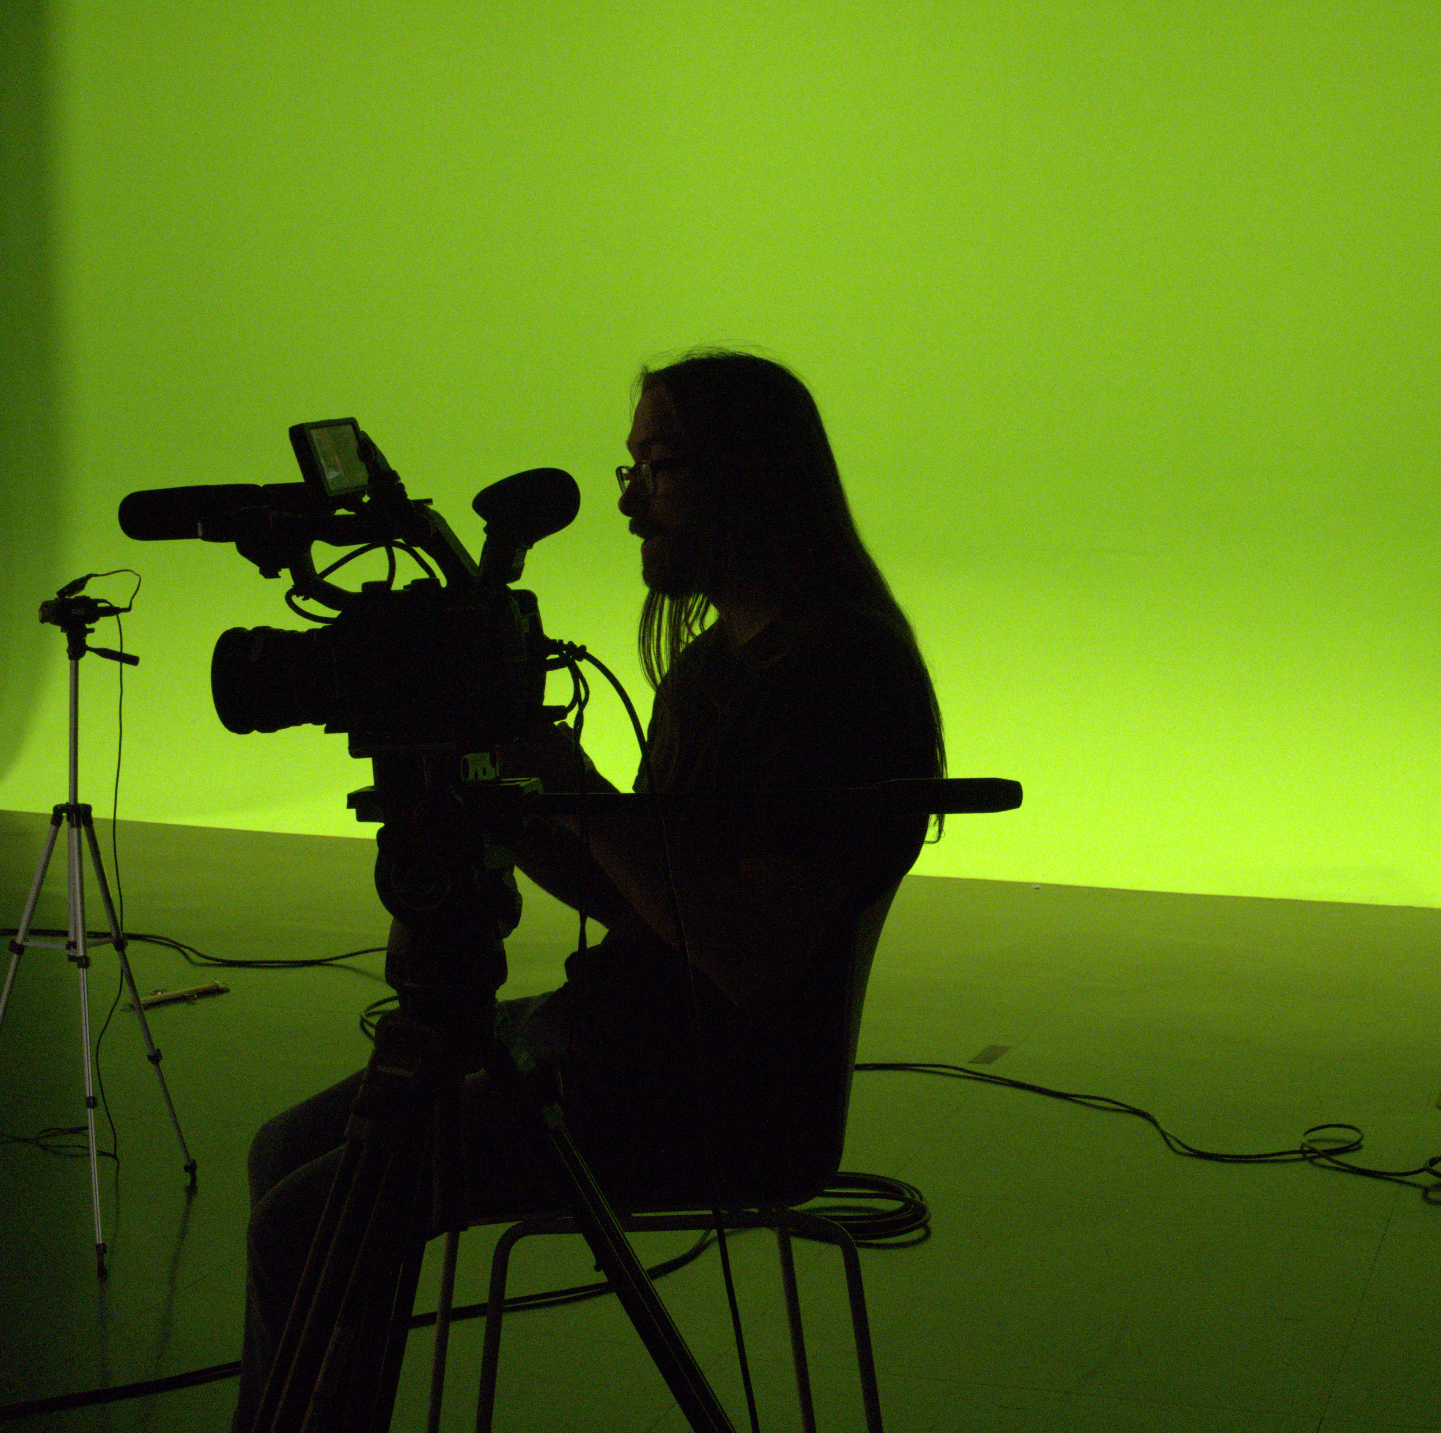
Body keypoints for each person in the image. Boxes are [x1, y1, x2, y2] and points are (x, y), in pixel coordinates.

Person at [233, 351, 944, 1429]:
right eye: (633, 470)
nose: (631, 505)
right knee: (284, 1155)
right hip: (633, 1041)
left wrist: (576, 791)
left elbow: (745, 956)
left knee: (305, 1221)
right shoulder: (719, 666)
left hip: (718, 1094)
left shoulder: (842, 678)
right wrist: (516, 803)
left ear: (749, 477)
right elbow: (658, 900)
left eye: (657, 469)